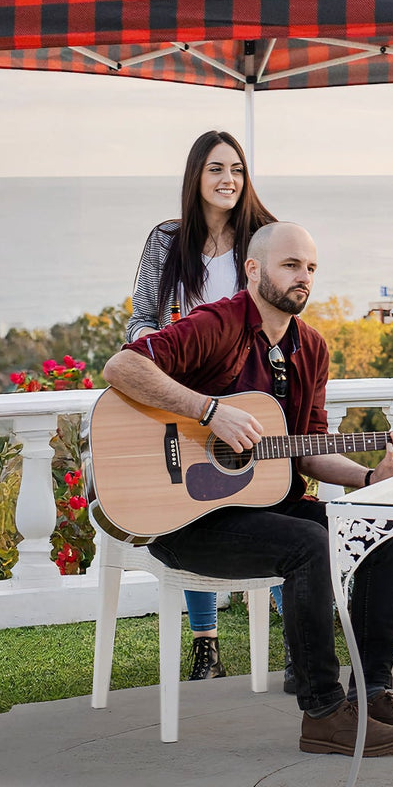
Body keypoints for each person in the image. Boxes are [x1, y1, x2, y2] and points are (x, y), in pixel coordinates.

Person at [104, 221, 393, 756]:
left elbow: (306, 447)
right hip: (183, 519)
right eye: (291, 265)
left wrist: (369, 479)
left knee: (383, 529)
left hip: (267, 509)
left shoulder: (311, 347)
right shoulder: (216, 324)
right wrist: (207, 410)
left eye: (310, 268)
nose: (303, 277)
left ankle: (374, 694)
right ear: (254, 269)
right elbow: (121, 366)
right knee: (309, 546)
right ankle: (325, 713)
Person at [126, 130, 282, 683]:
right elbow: (139, 317)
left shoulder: (263, 237)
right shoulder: (167, 240)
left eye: (237, 170)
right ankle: (206, 646)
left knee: (276, 502)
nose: (228, 180)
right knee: (192, 504)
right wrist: (160, 349)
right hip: (187, 396)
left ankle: (298, 642)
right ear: (196, 176)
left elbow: (283, 315)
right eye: (216, 169)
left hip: (251, 392)